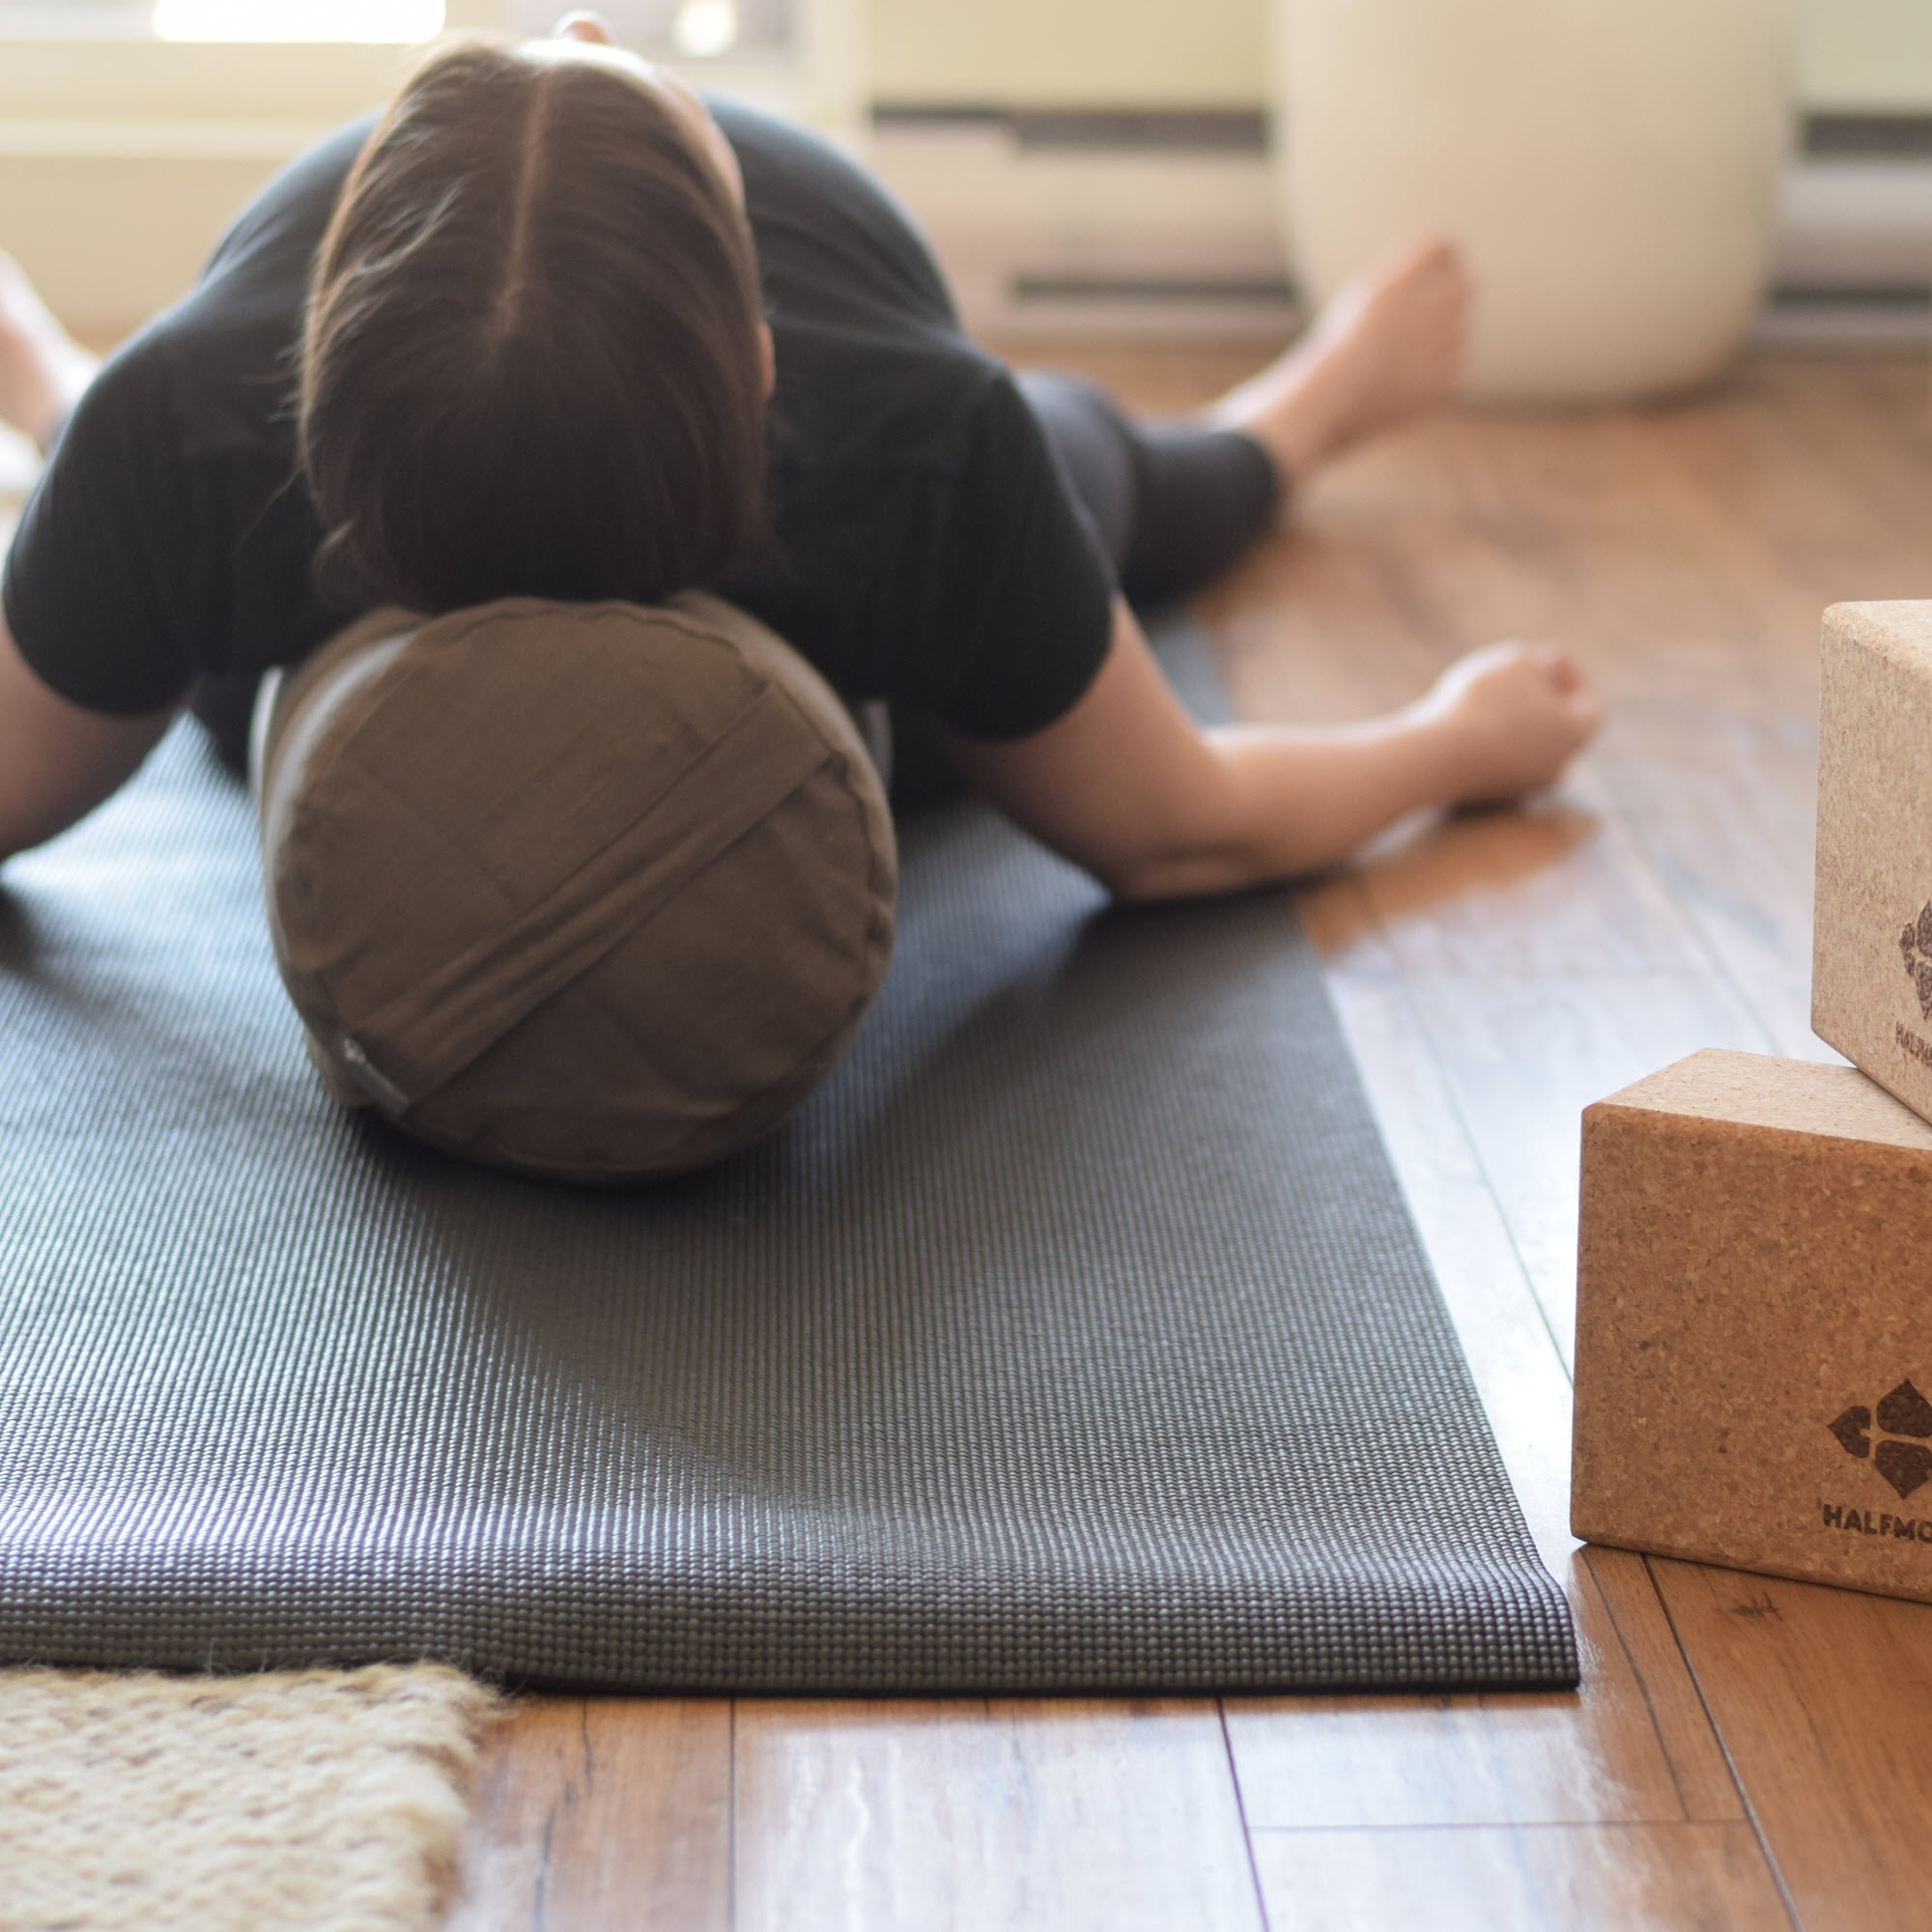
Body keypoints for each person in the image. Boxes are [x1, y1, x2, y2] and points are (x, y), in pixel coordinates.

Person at [0, 13, 1600, 902]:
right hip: (257, 514)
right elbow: (1176, 823)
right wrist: (1451, 743)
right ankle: (49, 395)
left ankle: (1292, 413)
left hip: (262, 497)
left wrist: (1447, 743)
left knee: (1118, 484)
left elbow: (1182, 824)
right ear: (763, 372)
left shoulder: (925, 440)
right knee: (203, 646)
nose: (586, 21)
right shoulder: (194, 424)